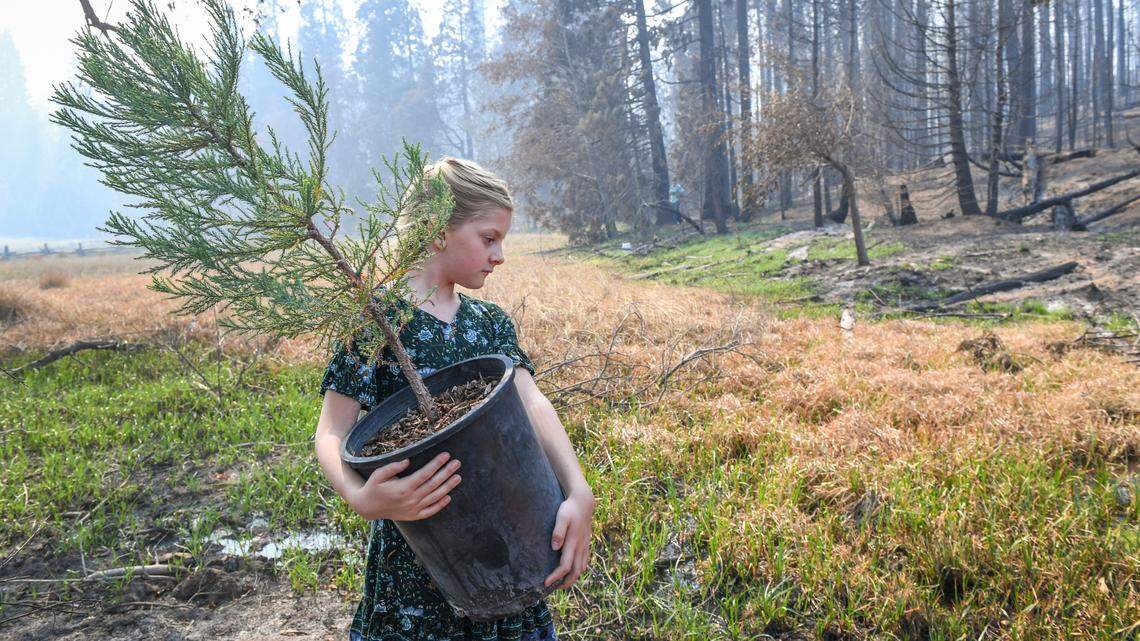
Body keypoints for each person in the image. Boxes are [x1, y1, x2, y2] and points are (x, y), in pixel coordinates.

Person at [313, 157, 595, 641]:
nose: (500, 254)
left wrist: (578, 490)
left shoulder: (488, 323)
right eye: (489, 238)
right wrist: (362, 497)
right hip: (419, 564)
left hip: (508, 550)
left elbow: (533, 404)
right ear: (438, 230)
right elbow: (331, 431)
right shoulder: (376, 321)